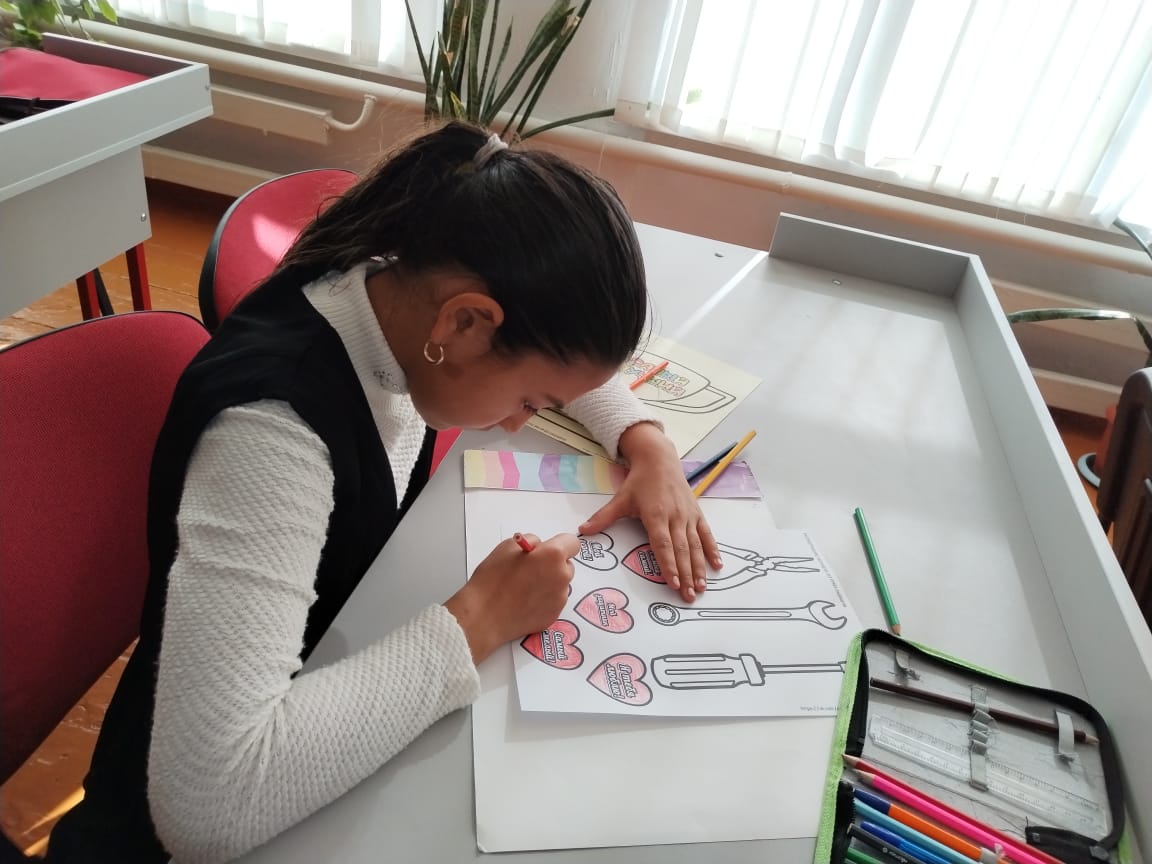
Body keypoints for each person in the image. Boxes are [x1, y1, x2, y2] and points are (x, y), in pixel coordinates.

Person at [46, 121, 720, 863]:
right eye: (531, 401)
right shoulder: (273, 430)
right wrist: (479, 619)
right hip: (185, 818)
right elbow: (210, 800)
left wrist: (646, 443)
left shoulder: (395, 281)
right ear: (465, 322)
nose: (519, 422)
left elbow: (557, 350)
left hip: (334, 671)